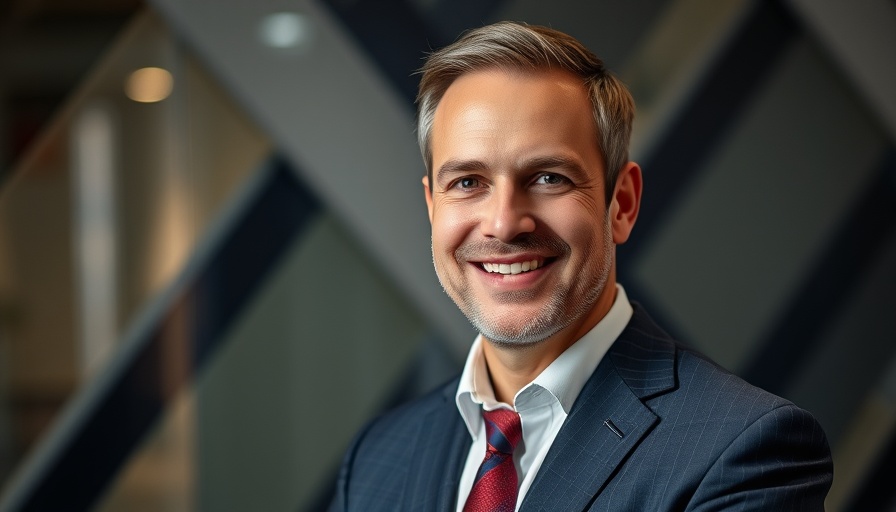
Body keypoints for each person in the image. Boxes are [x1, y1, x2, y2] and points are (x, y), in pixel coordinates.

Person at [331, 21, 833, 511]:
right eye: (467, 183)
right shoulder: (379, 458)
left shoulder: (746, 451)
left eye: (549, 177)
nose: (504, 224)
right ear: (432, 207)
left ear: (622, 204)